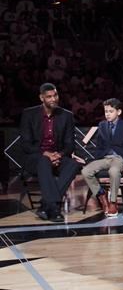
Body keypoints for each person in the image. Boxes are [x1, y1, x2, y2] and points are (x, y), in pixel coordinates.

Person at [19, 82, 81, 222]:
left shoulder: (66, 116)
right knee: (44, 161)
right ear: (42, 98)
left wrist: (59, 155)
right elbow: (26, 145)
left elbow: (69, 144)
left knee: (73, 164)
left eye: (55, 95)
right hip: (36, 158)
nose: (53, 99)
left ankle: (46, 204)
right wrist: (46, 154)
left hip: (57, 156)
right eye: (49, 97)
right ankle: (54, 208)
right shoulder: (29, 114)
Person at [81, 98, 123, 217]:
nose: (107, 114)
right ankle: (102, 196)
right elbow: (99, 147)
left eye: (110, 111)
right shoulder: (102, 125)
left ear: (119, 112)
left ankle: (113, 202)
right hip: (105, 158)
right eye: (106, 111)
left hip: (119, 159)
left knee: (114, 171)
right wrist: (90, 161)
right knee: (86, 171)